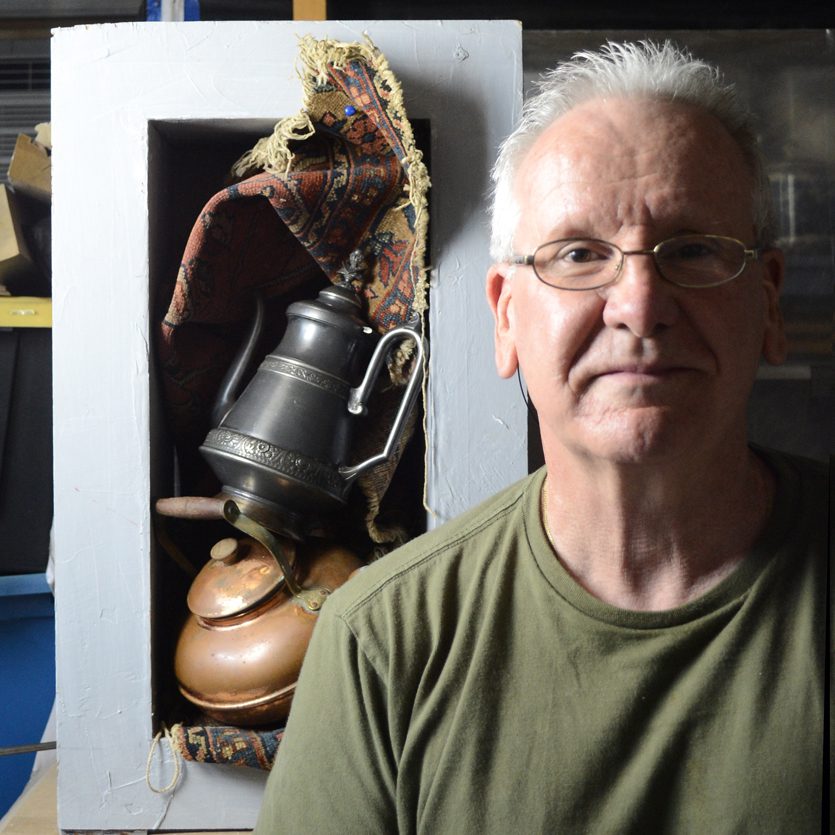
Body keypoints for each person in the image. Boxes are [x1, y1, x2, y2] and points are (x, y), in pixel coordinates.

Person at [255, 41, 828, 833]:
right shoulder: (382, 642)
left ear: (767, 304)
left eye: (692, 250)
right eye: (578, 254)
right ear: (505, 316)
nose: (638, 305)